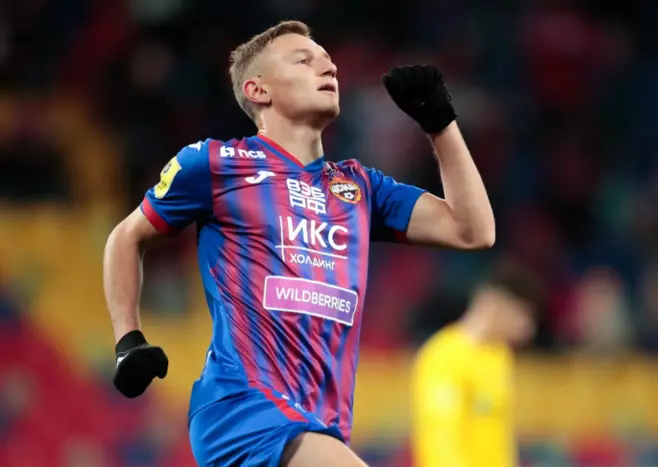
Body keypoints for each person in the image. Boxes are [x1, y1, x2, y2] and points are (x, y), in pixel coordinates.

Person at [103, 20, 495, 467]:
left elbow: (473, 231)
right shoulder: (215, 163)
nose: (328, 68)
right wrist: (128, 339)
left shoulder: (360, 187)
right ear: (258, 90)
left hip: (319, 422)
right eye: (304, 61)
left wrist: (440, 123)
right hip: (244, 411)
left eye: (327, 61)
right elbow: (127, 236)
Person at [411, 263, 541, 467]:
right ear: (497, 303)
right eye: (523, 315)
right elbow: (441, 441)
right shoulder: (443, 357)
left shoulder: (500, 357)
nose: (527, 330)